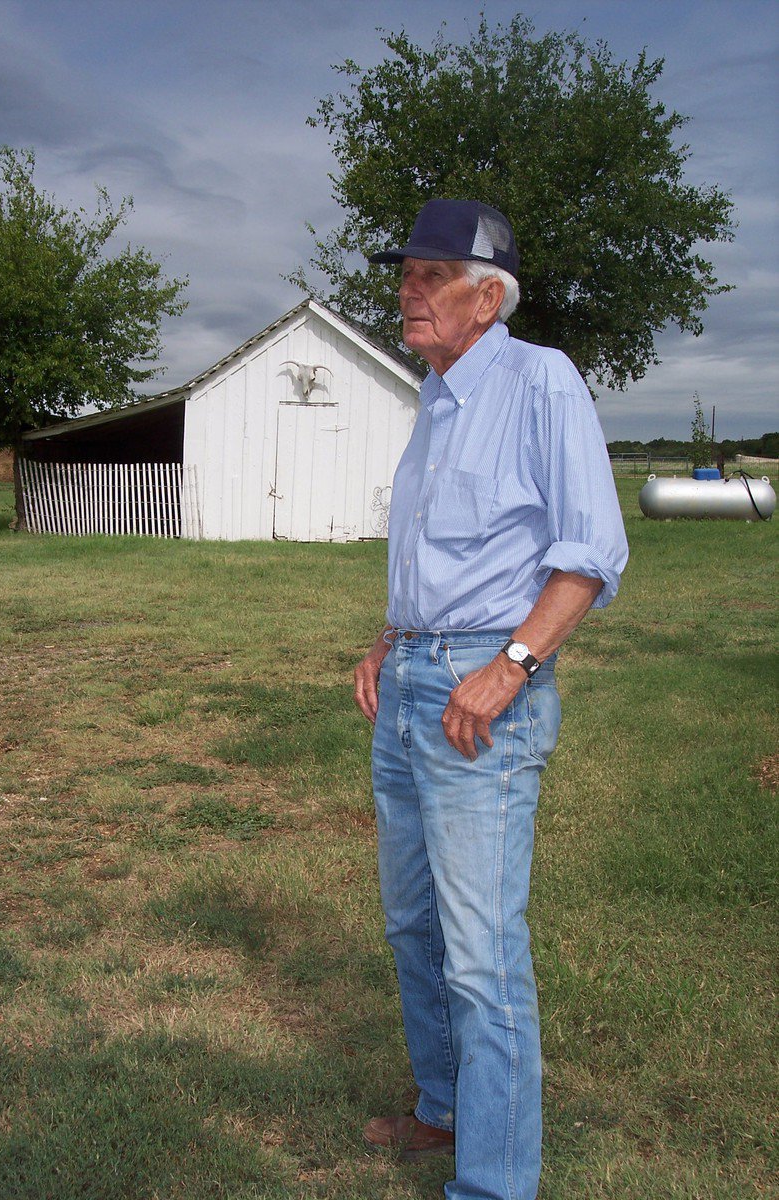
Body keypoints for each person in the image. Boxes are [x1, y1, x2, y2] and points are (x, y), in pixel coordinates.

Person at [354, 199, 629, 1200]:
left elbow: (590, 551)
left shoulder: (538, 381)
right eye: (406, 273)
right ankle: (445, 1110)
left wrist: (511, 663)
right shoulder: (435, 397)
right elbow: (437, 550)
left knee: (481, 957)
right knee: (411, 926)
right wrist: (388, 639)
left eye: (430, 275)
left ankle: (497, 1184)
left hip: (485, 692)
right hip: (416, 676)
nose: (407, 291)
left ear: (486, 296)